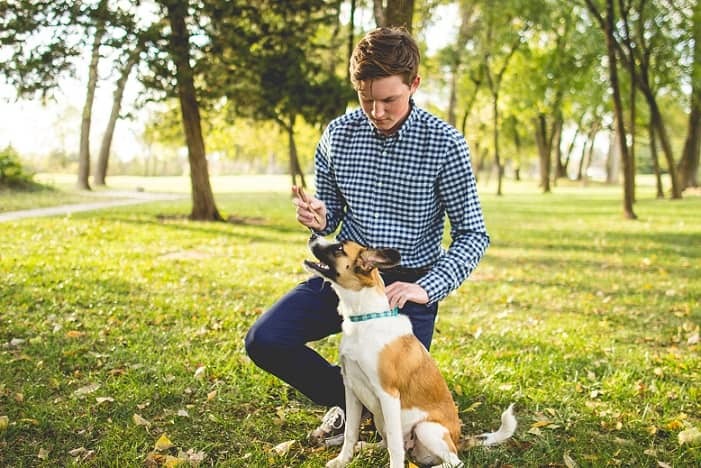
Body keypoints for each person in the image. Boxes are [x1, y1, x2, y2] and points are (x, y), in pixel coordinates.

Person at [244, 26, 489, 447]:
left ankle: (368, 401)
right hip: (346, 276)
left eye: (389, 99)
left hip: (405, 286)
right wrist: (318, 218)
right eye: (366, 98)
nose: (376, 111)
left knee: (390, 421)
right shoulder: (338, 136)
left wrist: (425, 288)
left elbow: (472, 234)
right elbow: (331, 217)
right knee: (265, 339)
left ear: (414, 84)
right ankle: (345, 397)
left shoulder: (445, 144)